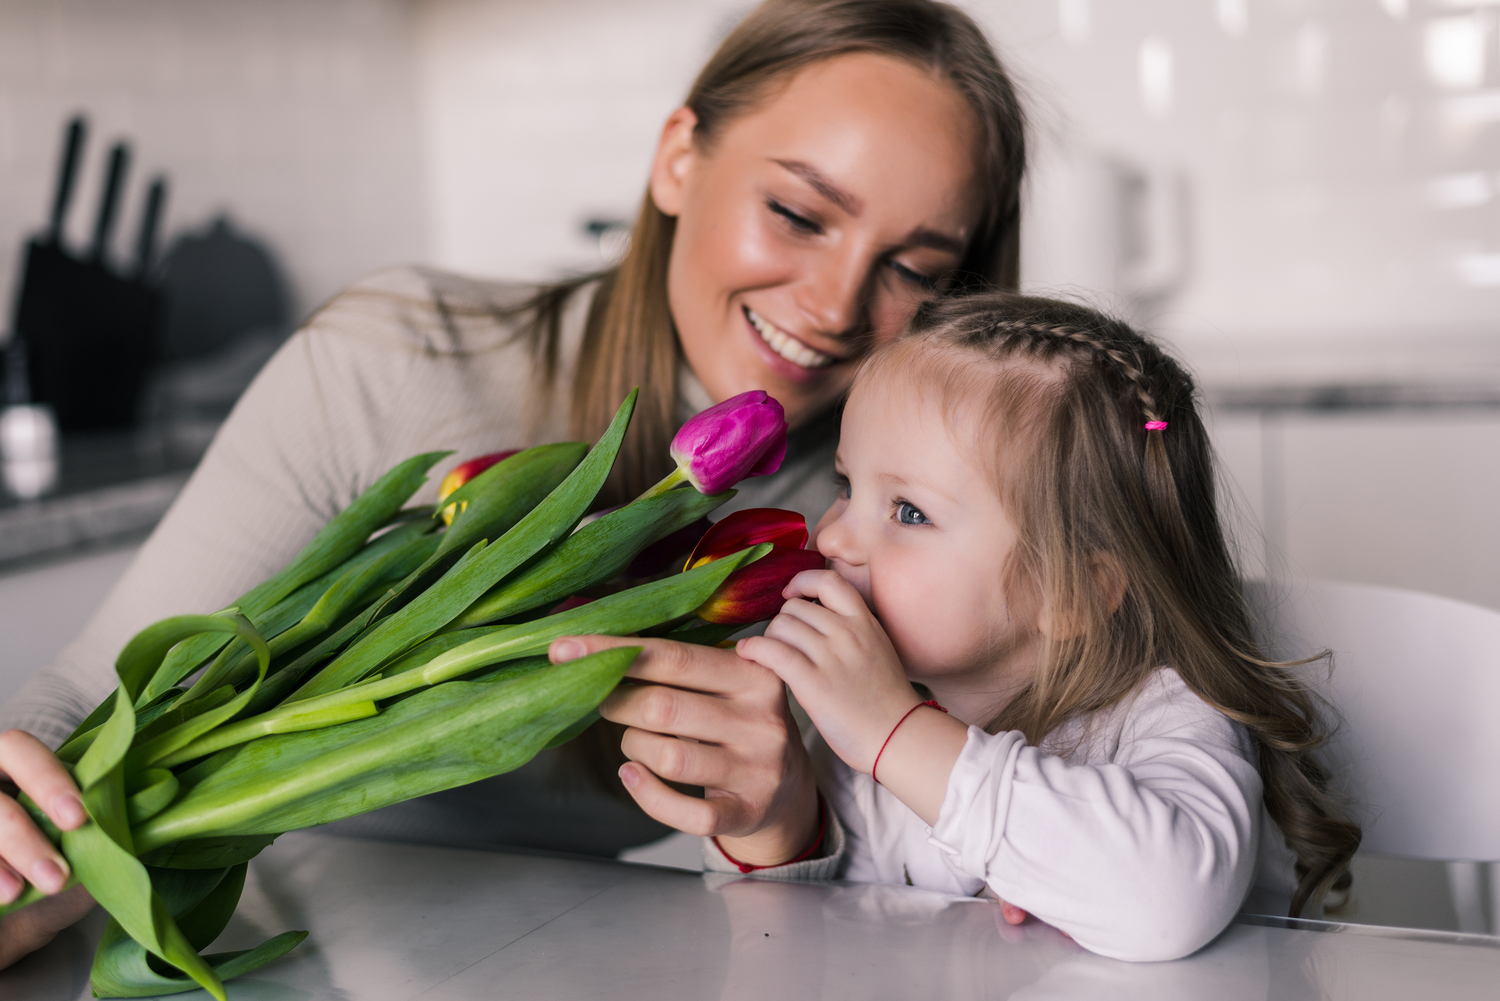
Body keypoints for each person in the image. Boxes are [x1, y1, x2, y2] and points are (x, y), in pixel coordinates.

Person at [0, 0, 1026, 969]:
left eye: (916, 270)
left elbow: (903, 899)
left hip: (598, 956)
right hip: (280, 934)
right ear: (678, 159)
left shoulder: (913, 527)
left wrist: (782, 824)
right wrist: (26, 839)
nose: (837, 303)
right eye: (800, 213)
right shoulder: (402, 359)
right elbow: (91, 701)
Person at [711, 292, 1362, 960]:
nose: (834, 533)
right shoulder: (880, 718)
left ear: (1072, 592)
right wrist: (784, 829)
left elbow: (1165, 905)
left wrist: (893, 734)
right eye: (847, 485)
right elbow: (844, 935)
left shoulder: (1169, 717)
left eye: (907, 511)